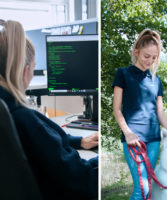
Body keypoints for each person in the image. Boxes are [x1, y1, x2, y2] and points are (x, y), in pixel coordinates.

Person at [0, 19, 98, 200]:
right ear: (25, 70)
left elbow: (46, 147)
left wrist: (78, 142)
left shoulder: (7, 111)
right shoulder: (24, 118)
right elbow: (86, 182)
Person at [113, 29, 167, 199]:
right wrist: (128, 132)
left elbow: (159, 110)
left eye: (154, 57)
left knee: (149, 186)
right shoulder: (123, 74)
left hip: (154, 138)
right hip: (133, 139)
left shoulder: (156, 80)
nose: (150, 61)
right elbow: (117, 109)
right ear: (136, 51)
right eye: (147, 56)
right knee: (142, 189)